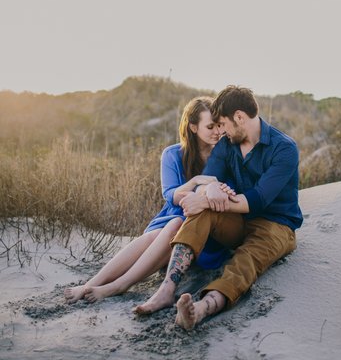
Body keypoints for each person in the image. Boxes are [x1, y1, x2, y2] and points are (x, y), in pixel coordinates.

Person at [134, 85, 303, 330]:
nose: (219, 131)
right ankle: (166, 290)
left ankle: (200, 309)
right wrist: (208, 191)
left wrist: (202, 198)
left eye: (222, 124)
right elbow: (208, 179)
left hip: (275, 224)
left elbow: (256, 200)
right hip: (236, 220)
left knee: (245, 261)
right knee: (204, 212)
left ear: (239, 117)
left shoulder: (284, 148)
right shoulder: (228, 144)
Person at [64, 96, 230, 304]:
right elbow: (170, 195)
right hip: (169, 223)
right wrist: (196, 181)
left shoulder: (224, 156)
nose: (217, 131)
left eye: (218, 125)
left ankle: (120, 285)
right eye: (210, 126)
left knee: (177, 224)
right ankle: (91, 283)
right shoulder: (172, 154)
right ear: (194, 127)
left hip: (200, 233)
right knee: (169, 226)